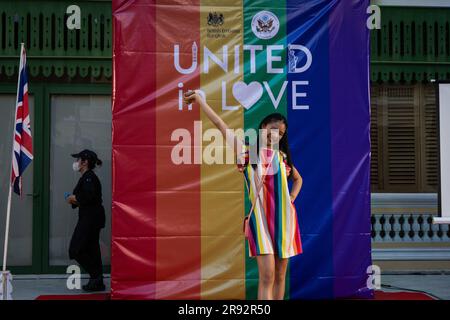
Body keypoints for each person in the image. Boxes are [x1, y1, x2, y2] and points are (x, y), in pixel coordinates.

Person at [184, 91, 303, 300]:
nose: (276, 134)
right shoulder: (248, 153)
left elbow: (299, 179)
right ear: (263, 127)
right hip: (261, 221)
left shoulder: (283, 157)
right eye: (273, 129)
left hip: (285, 221)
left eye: (281, 133)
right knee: (267, 276)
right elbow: (222, 126)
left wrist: (291, 197)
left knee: (280, 275)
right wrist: (201, 101)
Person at [66, 149, 106, 292]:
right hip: (91, 217)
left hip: (90, 219)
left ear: (85, 162)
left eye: (78, 160)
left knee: (75, 250)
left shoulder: (89, 177)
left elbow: (88, 196)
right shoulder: (86, 177)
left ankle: (96, 276)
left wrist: (74, 198)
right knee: (92, 249)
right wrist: (74, 200)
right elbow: (87, 198)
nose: (76, 163)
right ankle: (97, 281)